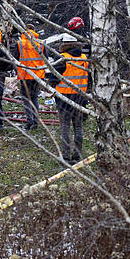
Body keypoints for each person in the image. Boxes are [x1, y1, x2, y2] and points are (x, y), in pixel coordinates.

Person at [48, 34, 89, 163]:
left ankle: (66, 156)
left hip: (64, 97)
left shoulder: (63, 58)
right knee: (78, 126)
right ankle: (77, 155)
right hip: (80, 97)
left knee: (65, 126)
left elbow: (54, 78)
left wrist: (51, 84)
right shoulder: (84, 58)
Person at [13, 24, 46, 130]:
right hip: (37, 75)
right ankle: (36, 121)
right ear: (34, 31)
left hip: (25, 75)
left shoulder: (19, 44)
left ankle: (29, 121)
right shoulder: (41, 43)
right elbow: (46, 59)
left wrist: (16, 71)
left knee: (26, 99)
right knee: (34, 97)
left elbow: (14, 59)